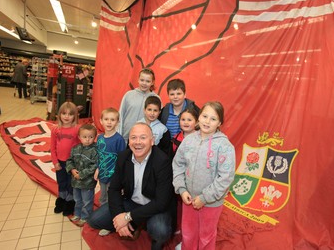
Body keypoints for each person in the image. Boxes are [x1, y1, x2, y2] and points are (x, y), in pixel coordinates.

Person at [87, 123, 176, 250]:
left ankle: (155, 243)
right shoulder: (123, 157)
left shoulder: (162, 161)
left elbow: (161, 202)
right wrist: (119, 217)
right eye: (133, 138)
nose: (137, 142)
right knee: (94, 220)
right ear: (129, 142)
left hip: (155, 205)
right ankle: (135, 224)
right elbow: (114, 189)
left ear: (152, 141)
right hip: (132, 202)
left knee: (160, 231)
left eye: (143, 137)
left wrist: (128, 217)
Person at [172, 101, 236, 250]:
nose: (207, 121)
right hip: (188, 199)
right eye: (205, 116)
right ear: (198, 117)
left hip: (211, 203)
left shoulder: (224, 146)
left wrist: (204, 198)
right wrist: (182, 189)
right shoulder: (188, 140)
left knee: (206, 235)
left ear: (219, 122)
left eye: (213, 119)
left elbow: (225, 177)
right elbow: (178, 165)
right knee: (188, 233)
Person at [94, 107, 126, 236]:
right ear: (101, 121)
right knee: (102, 197)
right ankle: (103, 218)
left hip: (114, 177)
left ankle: (110, 224)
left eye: (112, 120)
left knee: (112, 200)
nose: (109, 122)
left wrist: (120, 179)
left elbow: (122, 160)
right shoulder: (100, 138)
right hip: (103, 175)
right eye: (106, 119)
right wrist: (97, 168)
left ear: (117, 122)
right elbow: (99, 155)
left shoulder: (119, 139)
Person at [51, 102, 80, 216]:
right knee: (61, 182)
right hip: (60, 162)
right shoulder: (55, 129)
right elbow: (52, 147)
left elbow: (80, 147)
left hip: (72, 163)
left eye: (70, 114)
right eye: (64, 113)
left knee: (71, 183)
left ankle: (70, 202)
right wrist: (55, 162)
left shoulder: (77, 129)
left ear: (75, 116)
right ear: (59, 114)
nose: (67, 116)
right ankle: (61, 200)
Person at [66, 124, 98, 227]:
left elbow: (95, 166)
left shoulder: (95, 150)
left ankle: (85, 217)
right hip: (75, 181)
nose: (88, 140)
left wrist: (82, 174)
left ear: (95, 137)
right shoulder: (75, 148)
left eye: (91, 137)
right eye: (84, 137)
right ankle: (77, 214)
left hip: (87, 182)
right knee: (77, 199)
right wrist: (72, 170)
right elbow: (69, 160)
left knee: (87, 201)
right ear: (79, 137)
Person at [117, 68, 158, 144]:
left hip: (143, 140)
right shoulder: (128, 95)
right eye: (142, 80)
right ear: (138, 80)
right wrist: (119, 134)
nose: (144, 83)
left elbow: (157, 120)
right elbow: (120, 115)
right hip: (125, 137)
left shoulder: (156, 98)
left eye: (148, 81)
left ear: (152, 82)